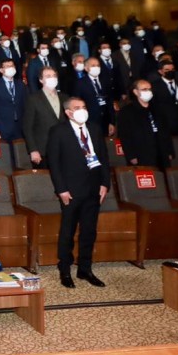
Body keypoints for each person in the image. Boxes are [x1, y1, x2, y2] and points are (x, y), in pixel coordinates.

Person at [45, 98, 110, 289]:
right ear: (68, 112)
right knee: (68, 230)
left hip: (94, 187)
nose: (82, 110)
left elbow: (104, 158)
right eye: (77, 108)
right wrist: (61, 189)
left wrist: (105, 183)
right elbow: (54, 164)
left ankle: (85, 269)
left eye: (84, 107)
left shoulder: (95, 129)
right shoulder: (58, 131)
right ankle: (64, 268)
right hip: (71, 190)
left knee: (89, 230)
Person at [116, 79, 174, 170]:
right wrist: (131, 156)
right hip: (141, 153)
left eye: (150, 89)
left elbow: (166, 131)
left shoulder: (158, 109)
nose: (148, 91)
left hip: (161, 152)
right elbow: (125, 136)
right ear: (136, 92)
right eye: (144, 89)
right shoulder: (127, 112)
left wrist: (169, 151)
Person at [22, 67, 67, 169]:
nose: (52, 78)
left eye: (54, 76)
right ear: (41, 80)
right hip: (43, 149)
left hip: (63, 148)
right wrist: (33, 150)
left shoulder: (65, 97)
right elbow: (27, 127)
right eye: (48, 76)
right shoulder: (33, 99)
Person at [0, 59, 26, 143]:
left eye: (12, 66)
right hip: (2, 127)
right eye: (7, 66)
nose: (11, 68)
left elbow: (26, 105)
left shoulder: (21, 84)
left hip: (19, 127)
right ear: (1, 70)